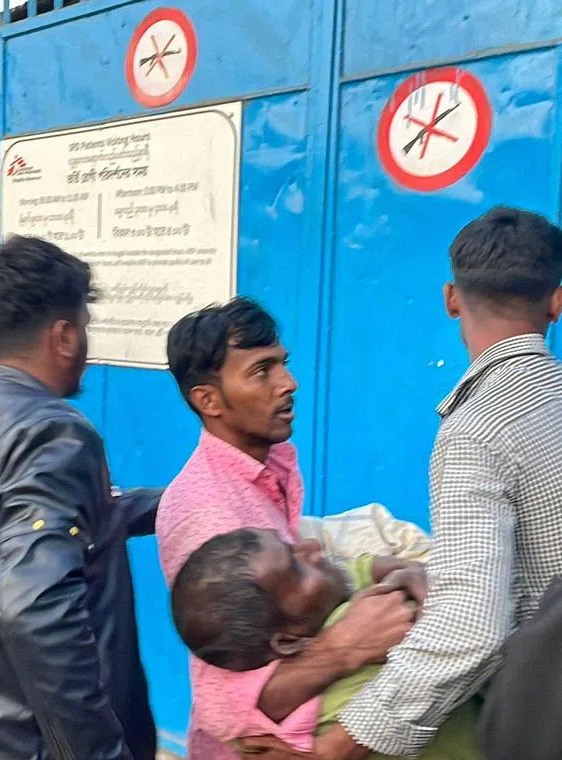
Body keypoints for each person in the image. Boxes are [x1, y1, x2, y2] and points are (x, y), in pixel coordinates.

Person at [291, 207, 562, 760]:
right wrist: (436, 572)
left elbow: (472, 631)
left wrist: (341, 743)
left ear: (451, 299)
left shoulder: (477, 429)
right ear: (557, 300)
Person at [0, 235, 162, 760]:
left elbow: (37, 527)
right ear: (64, 335)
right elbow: (38, 609)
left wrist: (180, 501)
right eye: (85, 326)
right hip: (18, 739)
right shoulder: (51, 430)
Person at [155, 297, 416, 760]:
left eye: (283, 364)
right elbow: (221, 701)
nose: (289, 383)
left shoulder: (261, 468)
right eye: (261, 371)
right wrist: (345, 646)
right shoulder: (209, 512)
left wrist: (380, 566)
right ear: (209, 400)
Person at [173, 528, 481, 760]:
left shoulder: (315, 621)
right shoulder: (371, 624)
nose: (313, 547)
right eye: (297, 567)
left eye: (292, 547)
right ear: (287, 641)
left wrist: (405, 571)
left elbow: (360, 569)